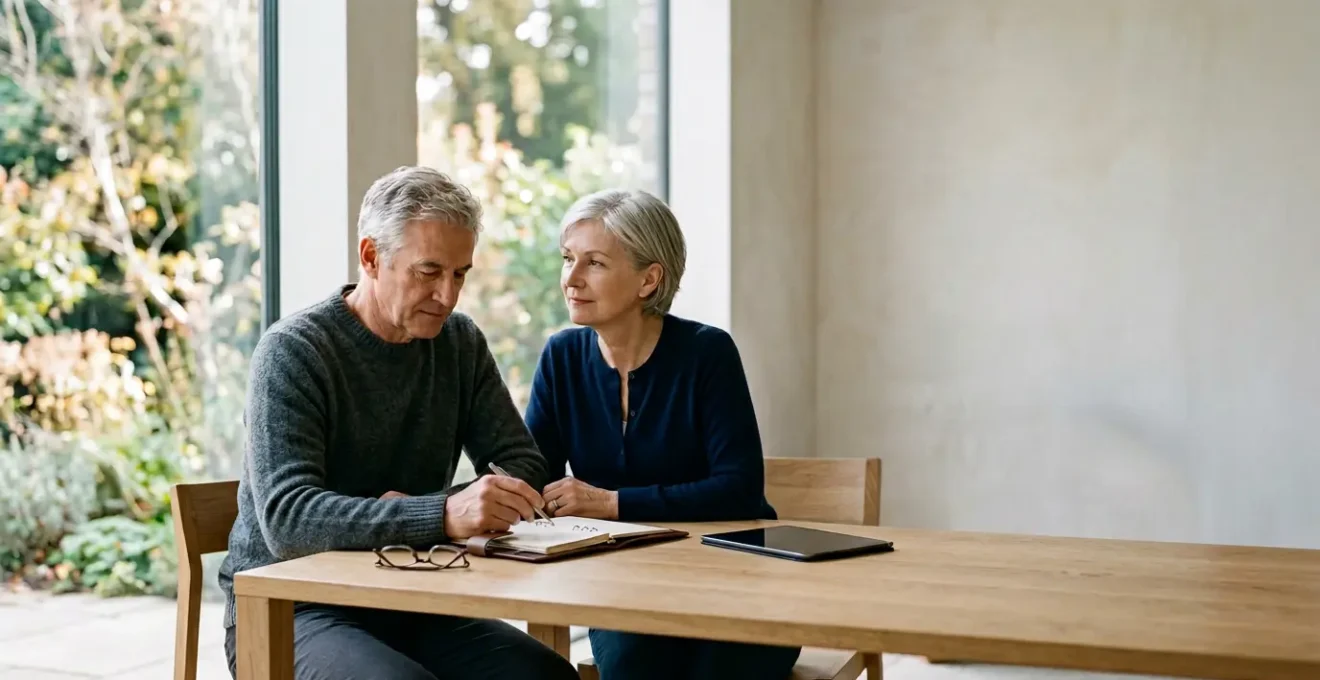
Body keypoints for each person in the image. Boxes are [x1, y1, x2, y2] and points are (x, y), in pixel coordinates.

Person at [217, 166, 579, 680]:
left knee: (545, 677)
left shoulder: (459, 343)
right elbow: (289, 521)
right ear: (371, 257)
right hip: (290, 606)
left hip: (413, 594)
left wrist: (450, 506)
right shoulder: (294, 351)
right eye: (429, 271)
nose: (448, 296)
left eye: (460, 274)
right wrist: (441, 514)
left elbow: (521, 462)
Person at [523, 189, 802, 680]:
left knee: (717, 671)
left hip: (738, 577)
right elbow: (532, 480)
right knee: (636, 666)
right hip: (627, 582)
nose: (571, 279)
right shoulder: (561, 358)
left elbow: (738, 490)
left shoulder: (707, 353)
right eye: (568, 259)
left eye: (595, 263)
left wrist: (611, 503)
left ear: (649, 279)